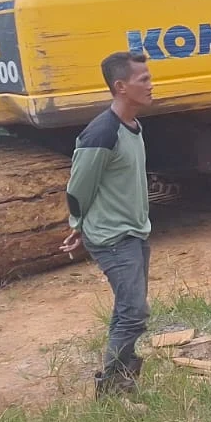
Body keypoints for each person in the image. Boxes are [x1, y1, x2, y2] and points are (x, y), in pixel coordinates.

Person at [61, 51, 155, 397]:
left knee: (129, 310)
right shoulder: (100, 134)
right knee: (133, 312)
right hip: (113, 238)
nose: (150, 84)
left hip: (134, 231)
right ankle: (114, 390)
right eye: (142, 79)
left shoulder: (133, 126)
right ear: (121, 86)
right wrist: (78, 225)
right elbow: (78, 188)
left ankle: (121, 383)